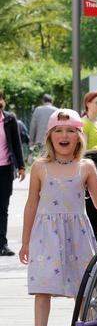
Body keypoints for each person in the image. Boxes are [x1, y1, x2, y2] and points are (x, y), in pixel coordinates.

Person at [18, 109, 97, 326]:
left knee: (81, 288)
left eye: (71, 131)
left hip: (78, 234)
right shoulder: (40, 167)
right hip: (45, 236)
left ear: (78, 136)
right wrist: (25, 242)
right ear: (50, 136)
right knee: (42, 288)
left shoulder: (86, 166)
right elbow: (31, 204)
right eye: (59, 131)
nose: (64, 136)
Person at [0, 91, 26, 256]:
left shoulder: (9, 119)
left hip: (5, 169)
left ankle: (2, 244)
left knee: (2, 208)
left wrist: (21, 166)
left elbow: (16, 144)